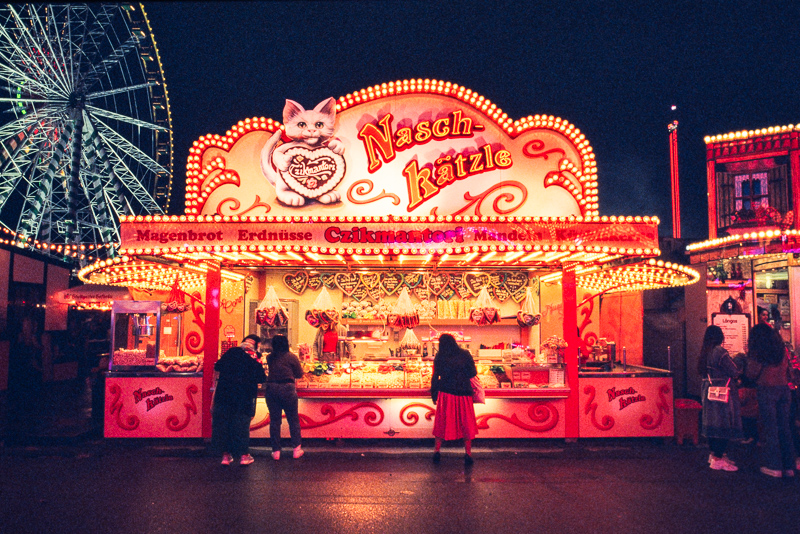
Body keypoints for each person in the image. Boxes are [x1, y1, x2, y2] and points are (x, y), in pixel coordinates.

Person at [745, 323, 798, 478]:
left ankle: (774, 466)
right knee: (785, 428)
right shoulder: (781, 349)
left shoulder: (759, 351)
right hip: (784, 389)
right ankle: (789, 466)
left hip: (767, 389)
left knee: (771, 429)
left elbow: (751, 373)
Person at [211, 334, 266, 466]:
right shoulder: (254, 357)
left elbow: (218, 366)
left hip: (224, 395)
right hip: (244, 397)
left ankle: (226, 456)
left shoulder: (231, 351)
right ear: (257, 345)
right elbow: (262, 378)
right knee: (241, 426)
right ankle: (244, 456)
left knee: (225, 425)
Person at [697, 325, 742, 471]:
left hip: (709, 391)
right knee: (723, 423)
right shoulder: (719, 352)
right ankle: (718, 458)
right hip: (723, 392)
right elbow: (733, 370)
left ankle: (715, 455)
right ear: (719, 336)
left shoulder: (705, 352)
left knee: (712, 424)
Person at [430, 333, 478, 466]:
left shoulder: (440, 356)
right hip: (464, 394)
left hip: (446, 394)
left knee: (442, 422)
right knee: (466, 423)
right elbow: (473, 373)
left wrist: (434, 395)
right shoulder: (465, 353)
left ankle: (437, 451)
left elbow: (435, 376)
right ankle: (468, 453)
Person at [265, 334, 305, 460]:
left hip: (271, 388)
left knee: (275, 421)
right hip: (287, 388)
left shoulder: (270, 357)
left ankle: (276, 451)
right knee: (293, 420)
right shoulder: (291, 357)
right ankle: (296, 450)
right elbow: (299, 374)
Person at [7, 316, 43, 442]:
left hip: (29, 370)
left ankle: (29, 425)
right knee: (23, 397)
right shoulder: (21, 338)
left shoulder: (32, 338)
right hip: (22, 370)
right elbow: (18, 354)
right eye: (26, 325)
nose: (28, 327)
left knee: (30, 398)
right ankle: (22, 426)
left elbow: (38, 352)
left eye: (29, 325)